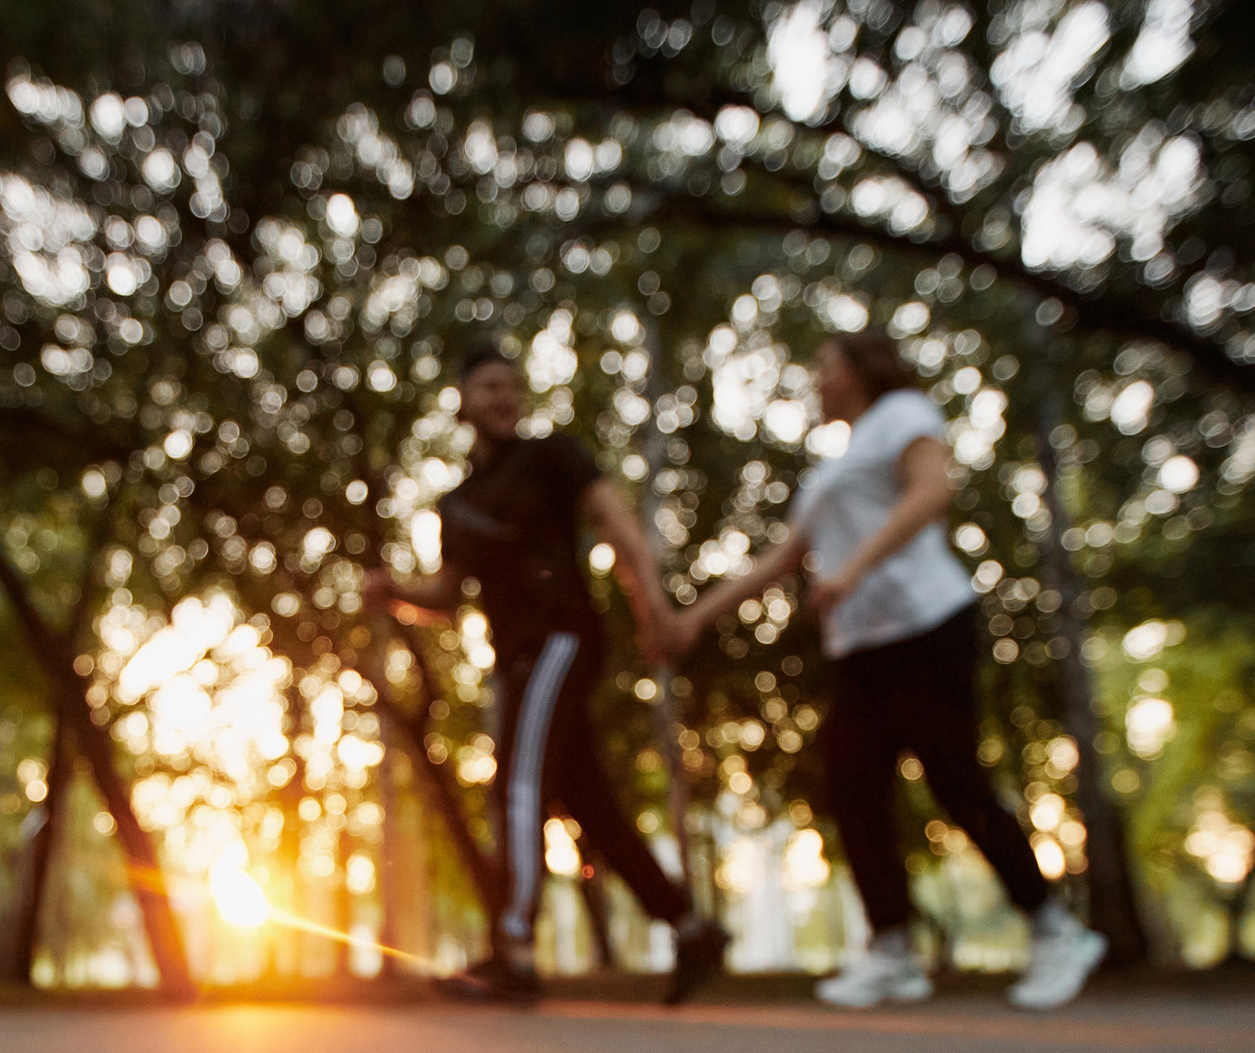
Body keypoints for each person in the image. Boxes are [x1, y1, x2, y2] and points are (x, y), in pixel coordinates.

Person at [670, 329, 1106, 1011]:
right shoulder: (831, 469)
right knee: (853, 790)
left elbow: (932, 492)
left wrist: (852, 569)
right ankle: (893, 949)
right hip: (860, 649)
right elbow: (780, 561)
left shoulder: (903, 414)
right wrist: (694, 619)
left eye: (825, 365)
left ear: (858, 369)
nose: (817, 379)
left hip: (926, 624)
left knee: (955, 780)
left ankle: (1055, 930)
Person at [366, 341, 730, 1004]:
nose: (504, 397)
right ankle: (689, 926)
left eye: (512, 385)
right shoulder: (459, 504)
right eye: (489, 386)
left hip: (560, 638)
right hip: (515, 657)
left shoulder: (551, 456)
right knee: (588, 802)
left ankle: (514, 949)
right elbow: (447, 594)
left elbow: (616, 522)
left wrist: (651, 608)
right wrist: (393, 592)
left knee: (518, 783)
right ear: (462, 401)